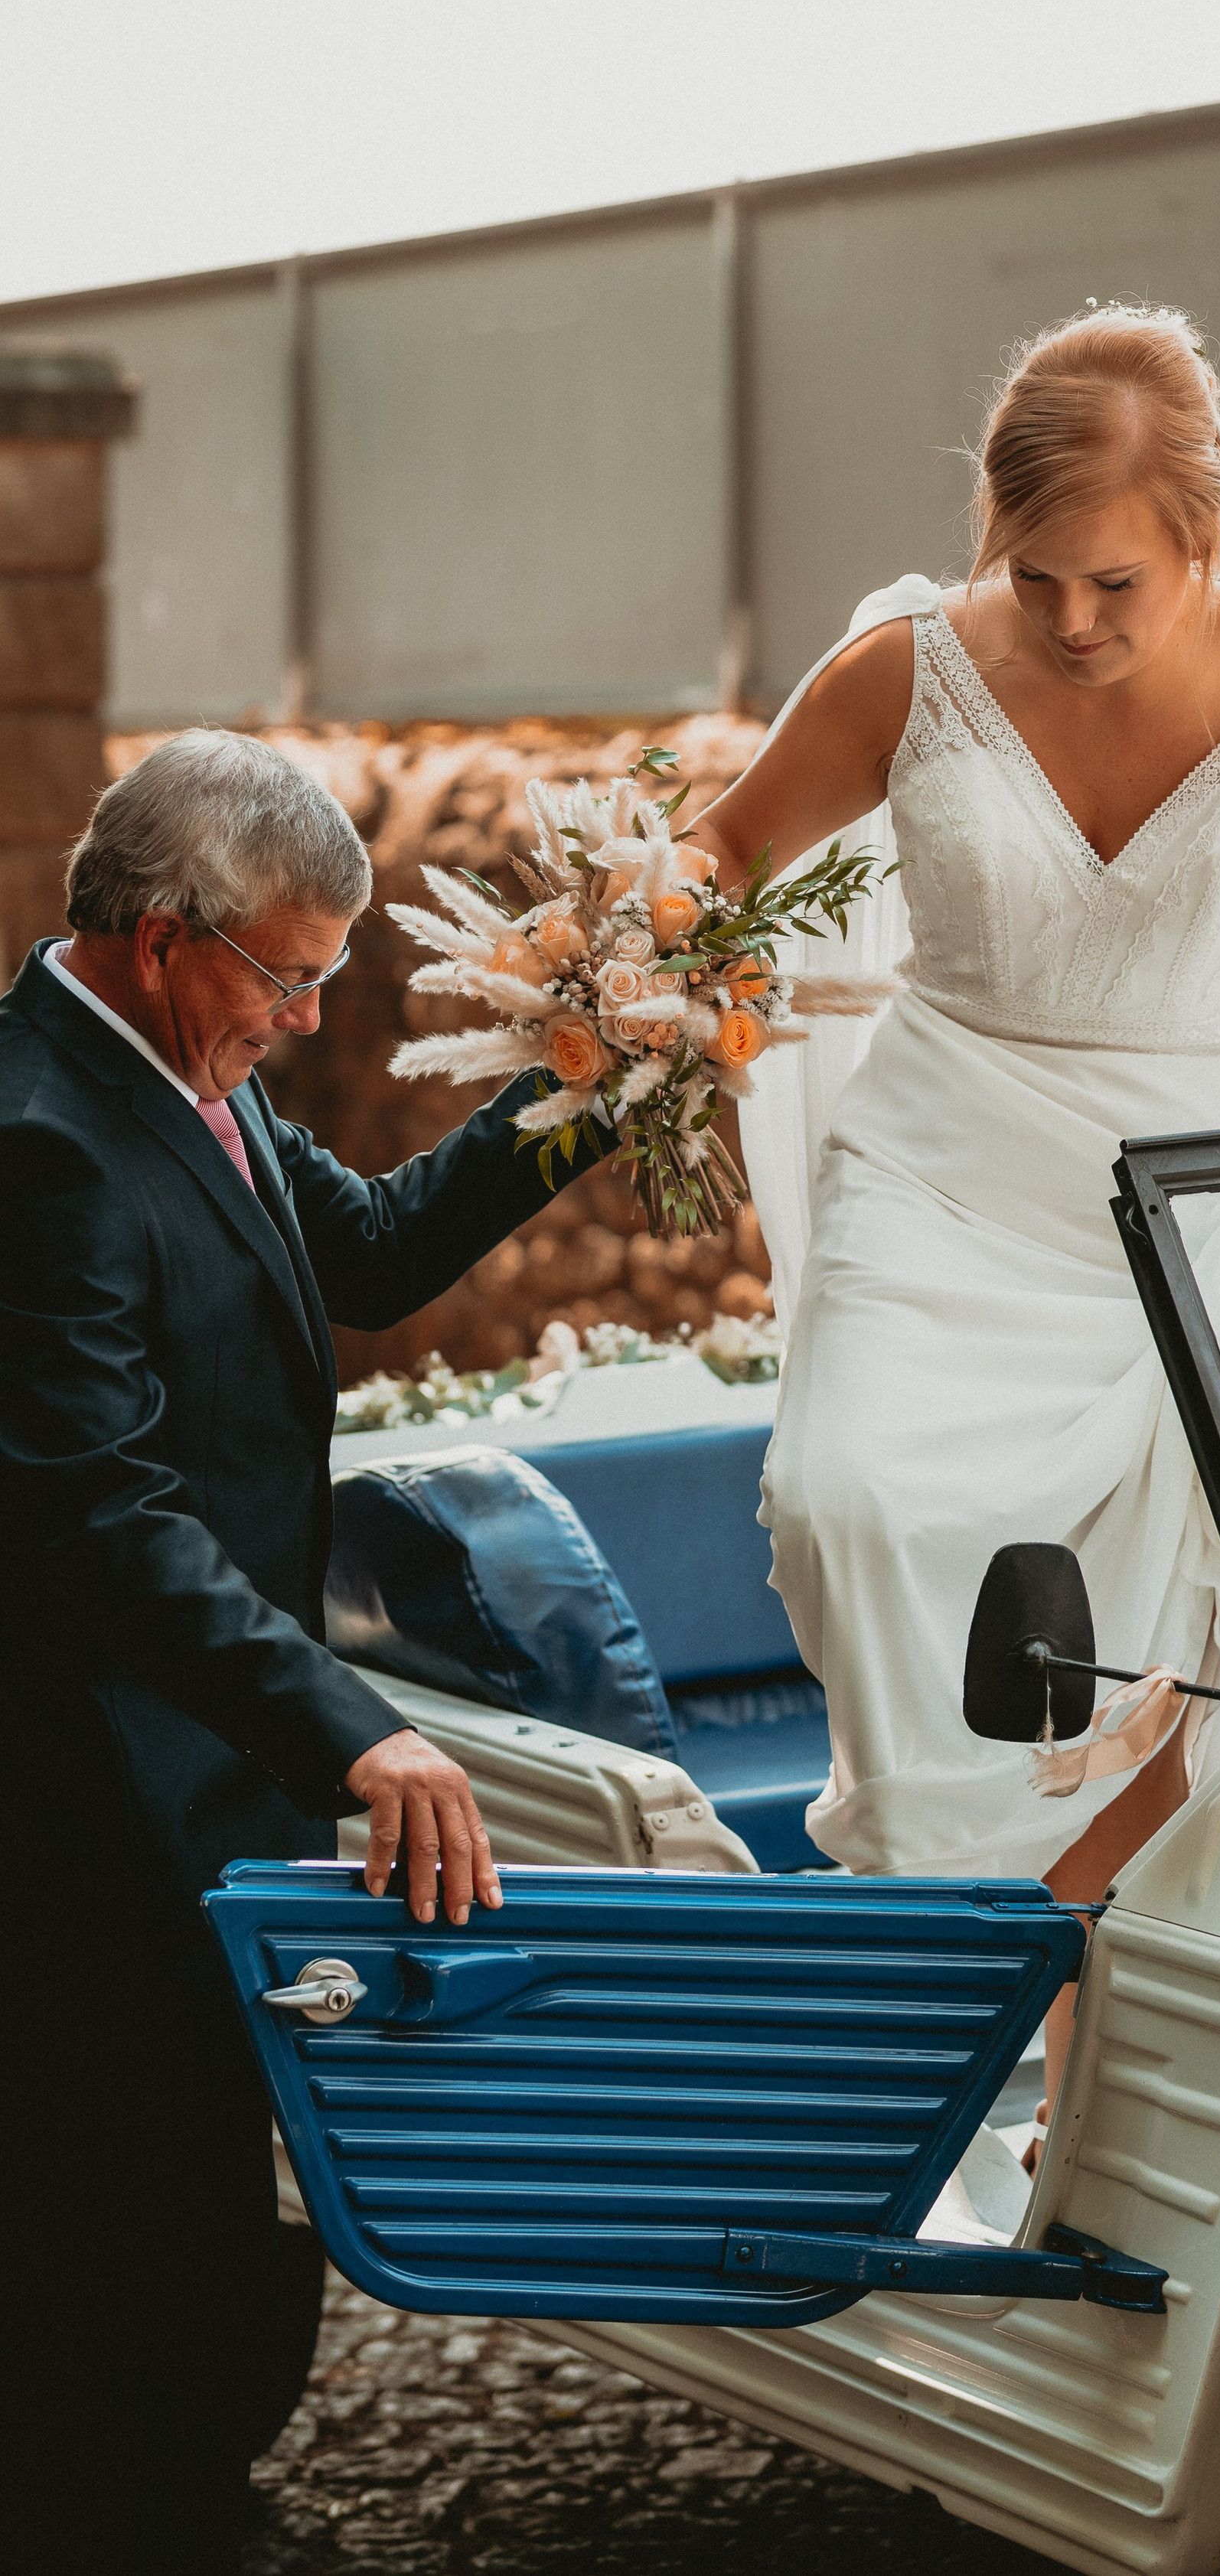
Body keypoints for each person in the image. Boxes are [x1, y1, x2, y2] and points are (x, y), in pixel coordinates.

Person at [688, 305, 1220, 2043]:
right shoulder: (908, 663)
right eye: (1035, 575)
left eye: (1114, 581)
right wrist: (656, 964)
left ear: (1203, 538)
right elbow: (719, 851)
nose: (1069, 620)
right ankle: (923, 1917)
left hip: (1203, 1226)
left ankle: (1056, 1972)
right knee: (844, 1505)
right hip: (940, 1175)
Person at [3, 732, 600, 2570]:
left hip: (206, 1764)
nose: (311, 1015)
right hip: (92, 1782)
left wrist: (595, 1089)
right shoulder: (42, 1142)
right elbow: (103, 1521)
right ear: (167, 934)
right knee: (120, 2200)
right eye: (290, 975)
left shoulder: (192, 1069)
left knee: (207, 2183)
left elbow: (370, 1253)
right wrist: (355, 1731)